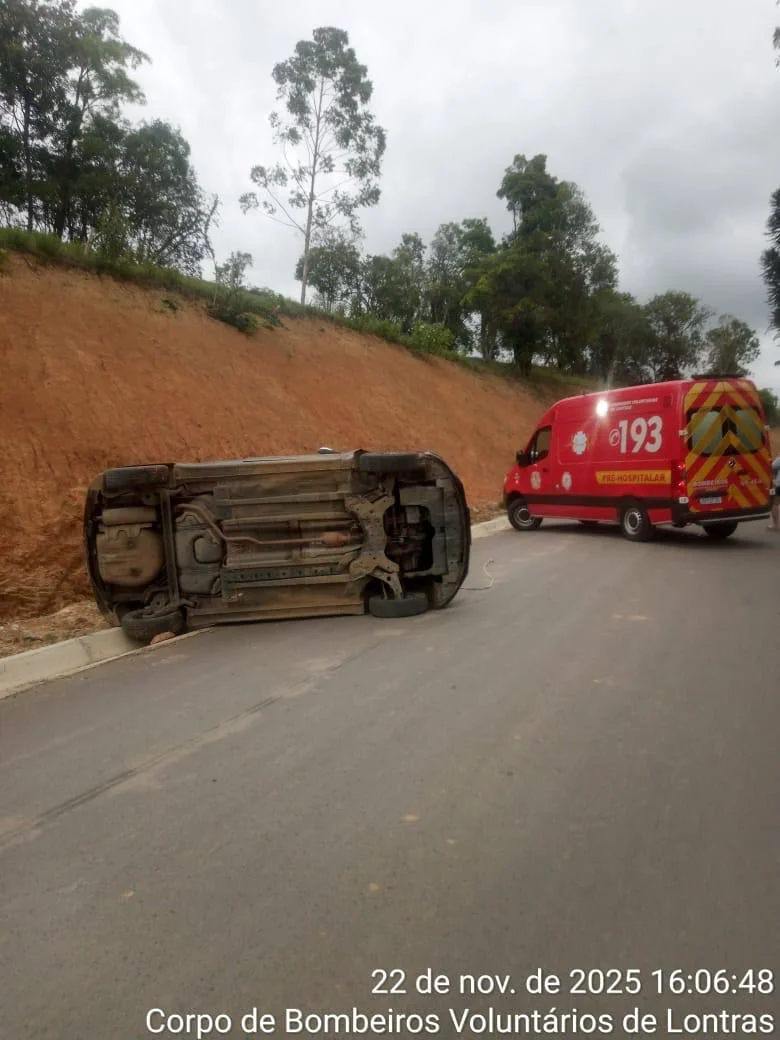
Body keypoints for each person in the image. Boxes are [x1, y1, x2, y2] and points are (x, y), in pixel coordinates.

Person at [770, 453, 780, 531]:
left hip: (778, 484)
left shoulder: (779, 460)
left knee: (775, 503)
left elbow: (772, 466)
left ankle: (776, 525)